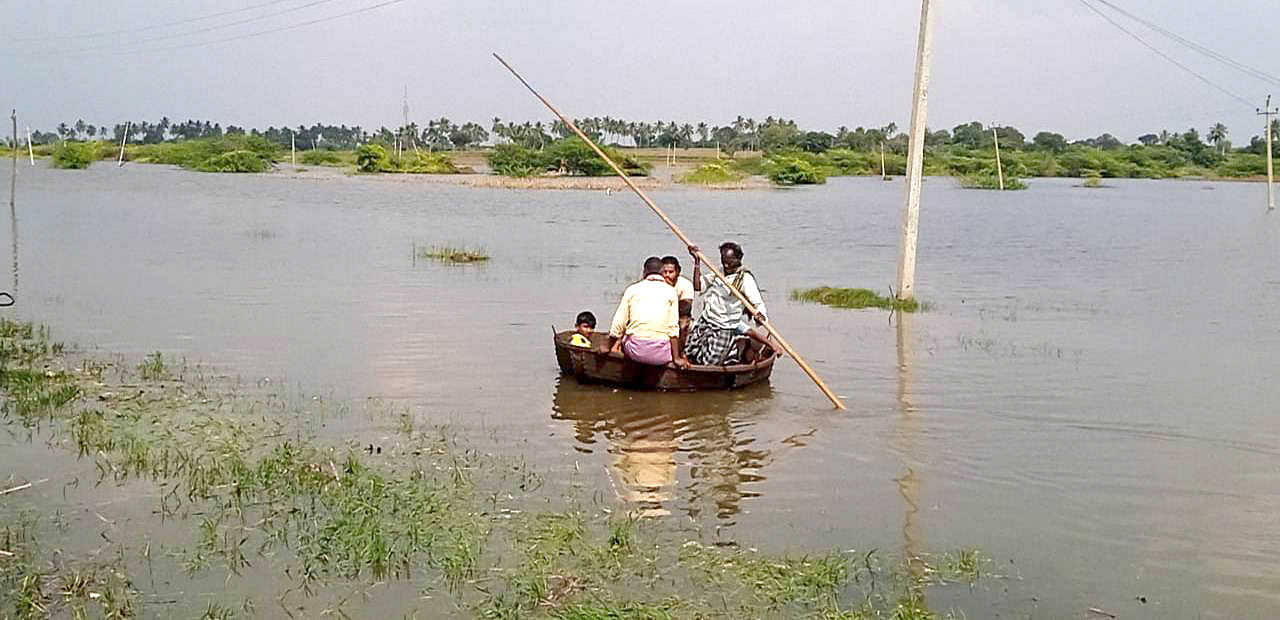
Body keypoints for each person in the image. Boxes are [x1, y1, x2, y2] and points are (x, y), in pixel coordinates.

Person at [684, 242, 769, 366]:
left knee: (709, 364)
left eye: (730, 261)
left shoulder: (745, 279)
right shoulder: (718, 272)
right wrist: (697, 262)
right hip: (707, 320)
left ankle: (738, 348)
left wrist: (760, 315)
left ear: (739, 259)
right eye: (724, 261)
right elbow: (698, 286)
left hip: (724, 326)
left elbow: (758, 303)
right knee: (689, 352)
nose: (726, 264)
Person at [607, 256, 691, 368]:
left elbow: (619, 323)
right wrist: (676, 358)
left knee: (626, 335)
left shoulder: (632, 289)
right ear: (661, 272)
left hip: (635, 352)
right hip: (661, 356)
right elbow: (673, 329)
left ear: (644, 272)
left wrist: (606, 346)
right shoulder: (671, 292)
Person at [659, 255, 696, 331]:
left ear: (677, 272)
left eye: (671, 272)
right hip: (660, 316)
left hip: (678, 316)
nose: (667, 275)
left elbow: (685, 308)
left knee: (684, 322)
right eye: (665, 272)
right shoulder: (656, 284)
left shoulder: (685, 284)